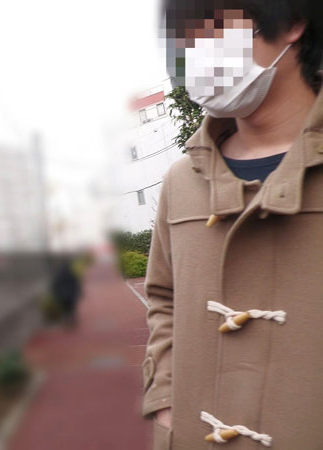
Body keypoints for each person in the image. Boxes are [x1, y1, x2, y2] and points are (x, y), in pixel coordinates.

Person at [144, 0, 323, 448]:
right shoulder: (181, 181)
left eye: (214, 26)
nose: (196, 52)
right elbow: (163, 298)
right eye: (185, 40)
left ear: (292, 21)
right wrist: (165, 402)